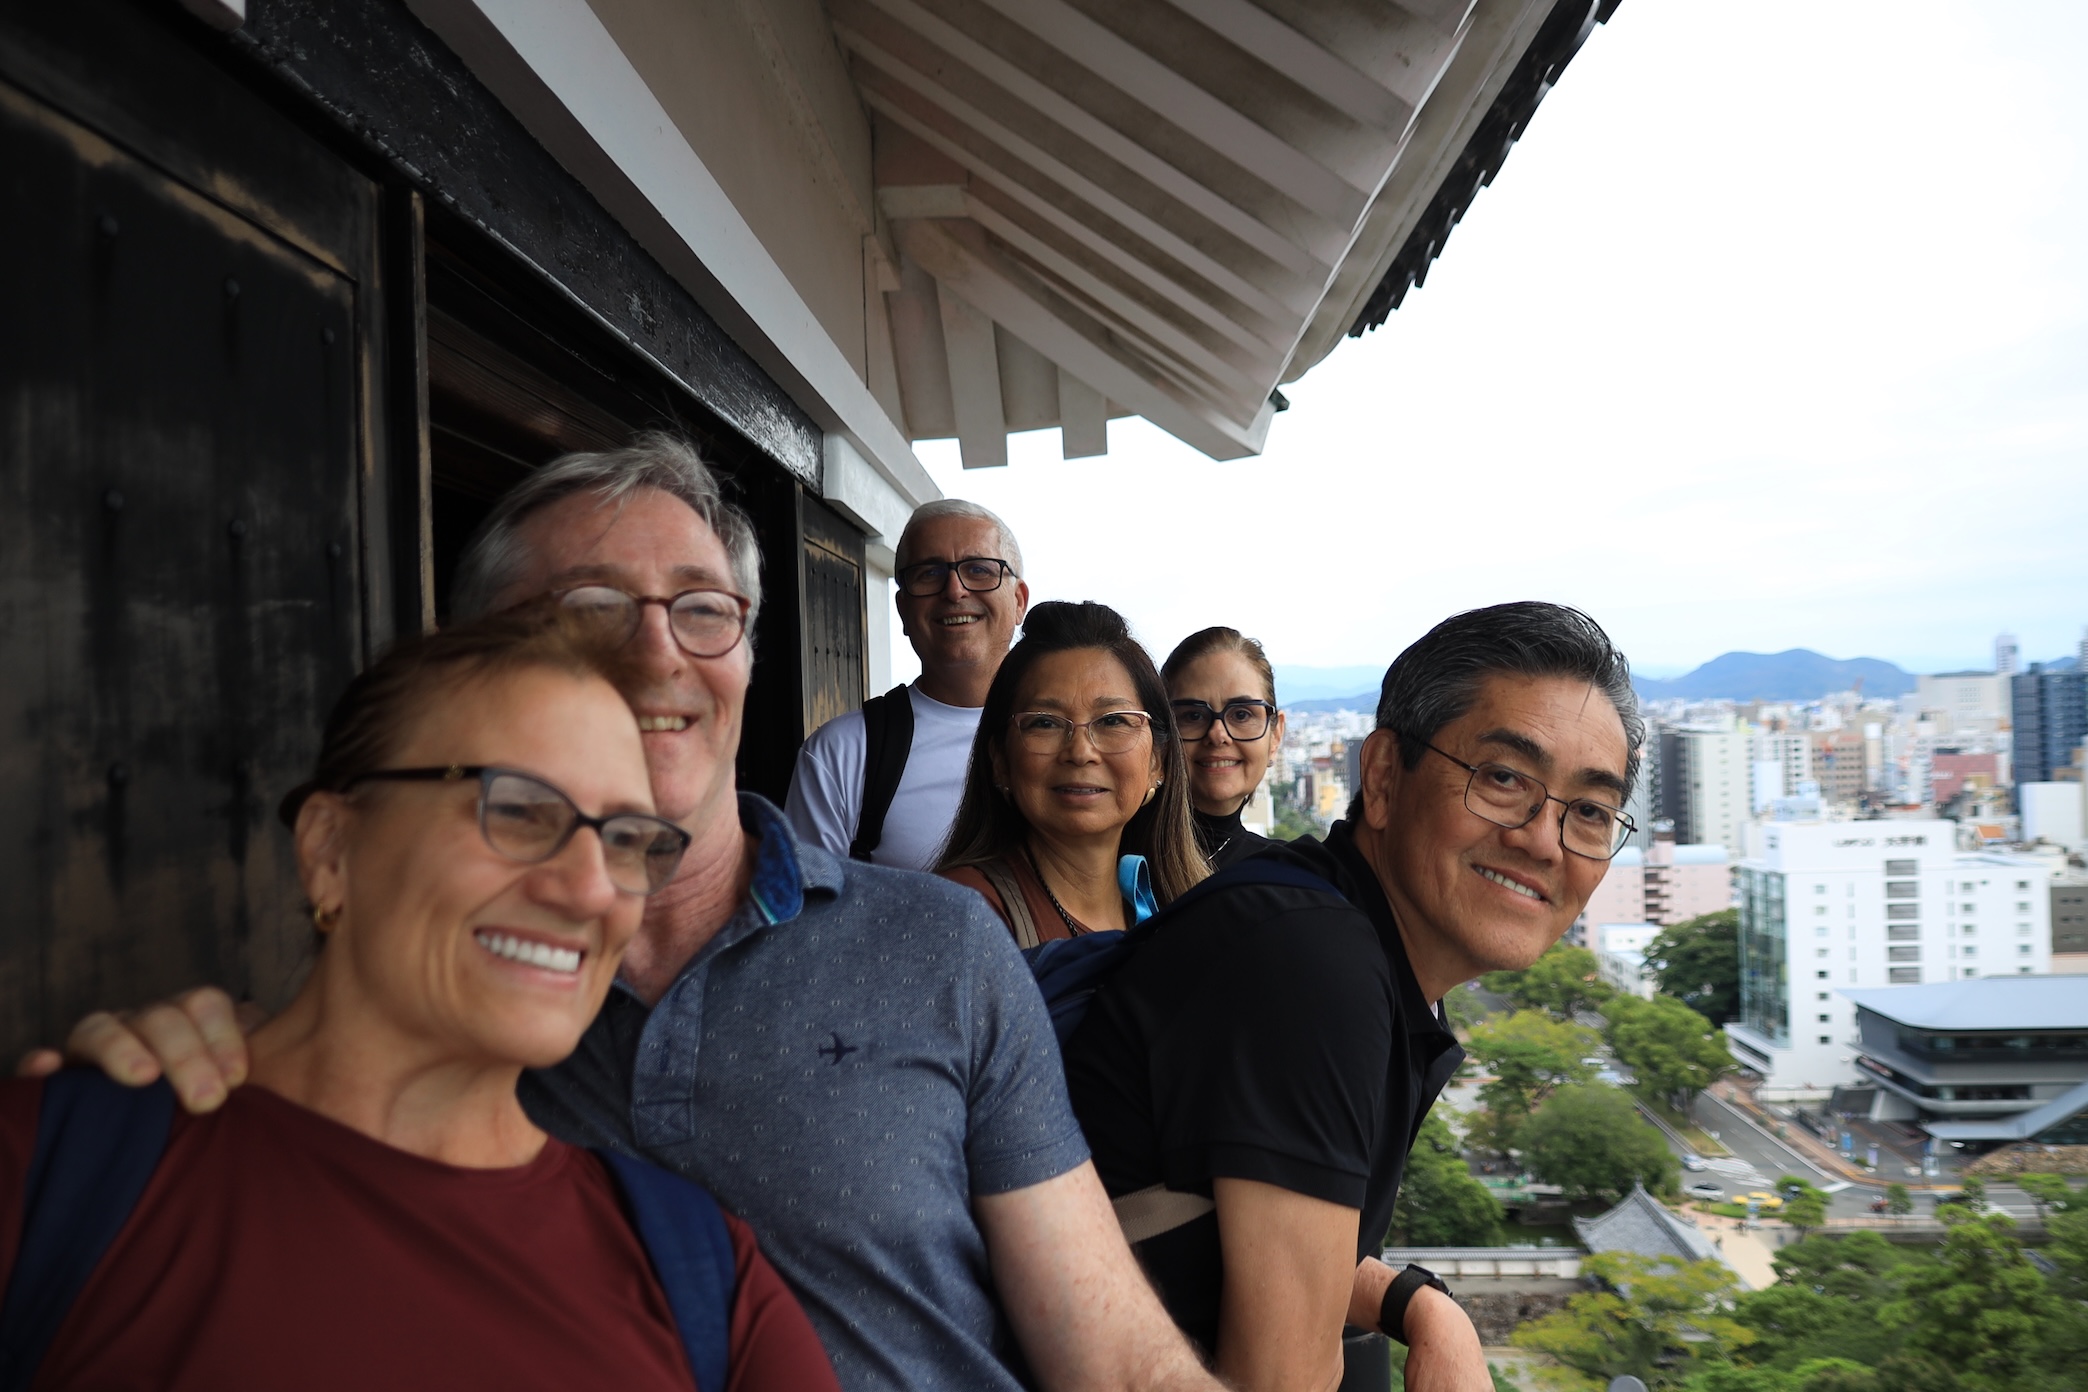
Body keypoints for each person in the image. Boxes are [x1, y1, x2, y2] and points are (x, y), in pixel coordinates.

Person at [28, 436, 1221, 1392]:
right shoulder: (129, 1145)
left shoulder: (936, 950)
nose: (657, 654)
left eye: (704, 608)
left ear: (747, 655)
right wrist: (167, 1098)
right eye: (590, 606)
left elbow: (1115, 1356)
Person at [0, 607, 836, 1391]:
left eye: (627, 840)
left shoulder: (697, 1273)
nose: (590, 890)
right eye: (520, 810)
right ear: (330, 850)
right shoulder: (57, 1168)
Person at [1061, 602, 1643, 1392]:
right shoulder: (1312, 964)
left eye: (1591, 812)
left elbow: (1267, 1234)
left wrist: (1418, 1305)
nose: (1544, 839)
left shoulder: (1341, 936)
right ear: (1384, 776)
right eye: (1504, 778)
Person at [936, 602, 1206, 945]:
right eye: (1044, 723)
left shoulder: (1186, 910)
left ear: (1158, 761)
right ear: (1000, 760)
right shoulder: (960, 912)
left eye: (1113, 721)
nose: (1080, 753)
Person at [785, 500, 1028, 869]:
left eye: (979, 569)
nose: (954, 590)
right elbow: (809, 904)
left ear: (1019, 601)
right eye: (929, 573)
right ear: (902, 609)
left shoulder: (1078, 735)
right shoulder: (842, 754)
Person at [1161, 627, 1286, 870]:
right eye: (1193, 715)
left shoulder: (1289, 874)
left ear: (1275, 735)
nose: (1218, 735)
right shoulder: (1114, 862)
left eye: (1241, 715)